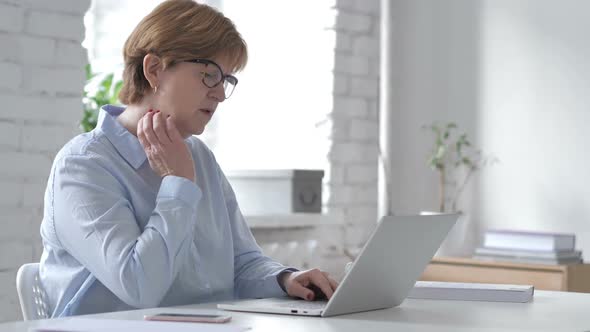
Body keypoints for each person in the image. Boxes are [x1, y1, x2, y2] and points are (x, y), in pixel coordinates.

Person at [39, 0, 338, 317]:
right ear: (154, 69)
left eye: (226, 79)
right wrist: (178, 184)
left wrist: (285, 279)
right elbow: (139, 285)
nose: (220, 93)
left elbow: (241, 260)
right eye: (210, 74)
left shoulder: (199, 156)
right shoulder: (84, 165)